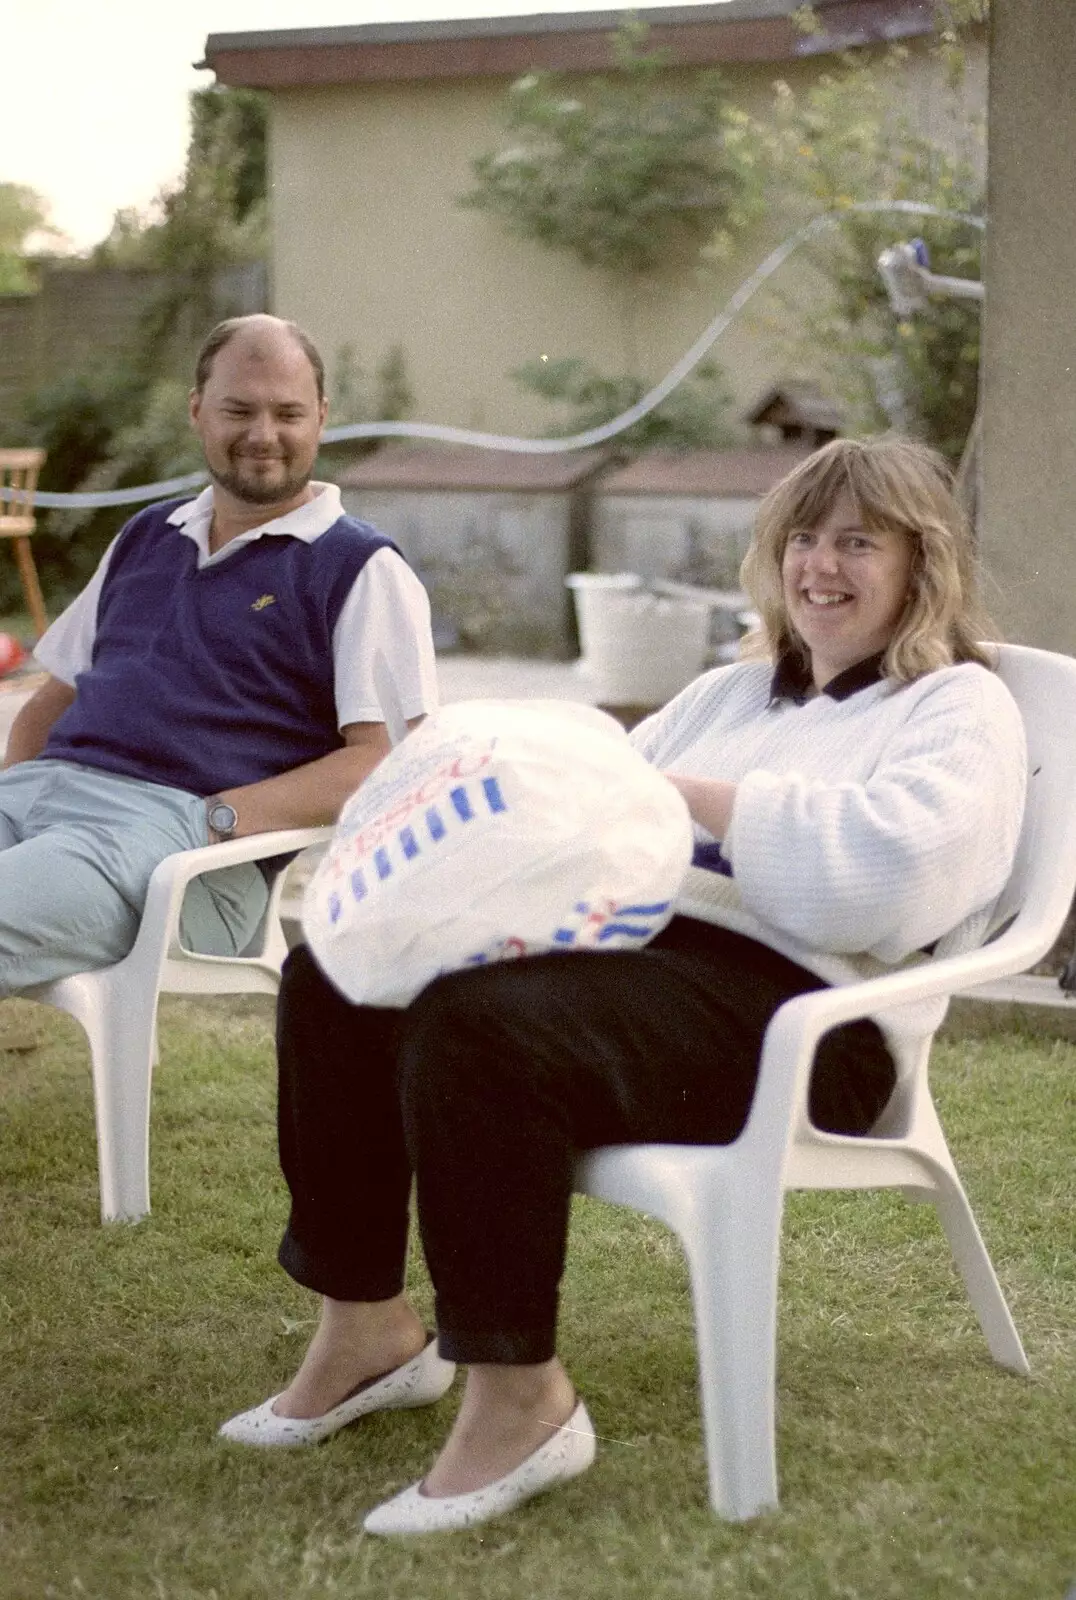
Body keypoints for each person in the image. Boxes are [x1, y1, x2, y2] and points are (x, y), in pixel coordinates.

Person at [219, 436, 1027, 1536]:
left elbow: (887, 882)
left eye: (856, 543)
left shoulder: (953, 706)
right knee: (340, 973)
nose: (819, 566)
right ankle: (365, 1327)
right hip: (639, 964)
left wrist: (692, 802)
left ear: (919, 564)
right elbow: (584, 817)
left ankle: (522, 1399)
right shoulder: (727, 692)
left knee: (479, 1027)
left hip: (807, 1018)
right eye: (801, 539)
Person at [0, 314, 437, 992]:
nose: (264, 436)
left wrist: (213, 818)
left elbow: (385, 764)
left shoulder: (360, 568)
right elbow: (53, 697)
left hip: (187, 853)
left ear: (321, 417)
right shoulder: (148, 534)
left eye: (288, 413)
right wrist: (19, 798)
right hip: (44, 803)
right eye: (239, 410)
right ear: (198, 411)